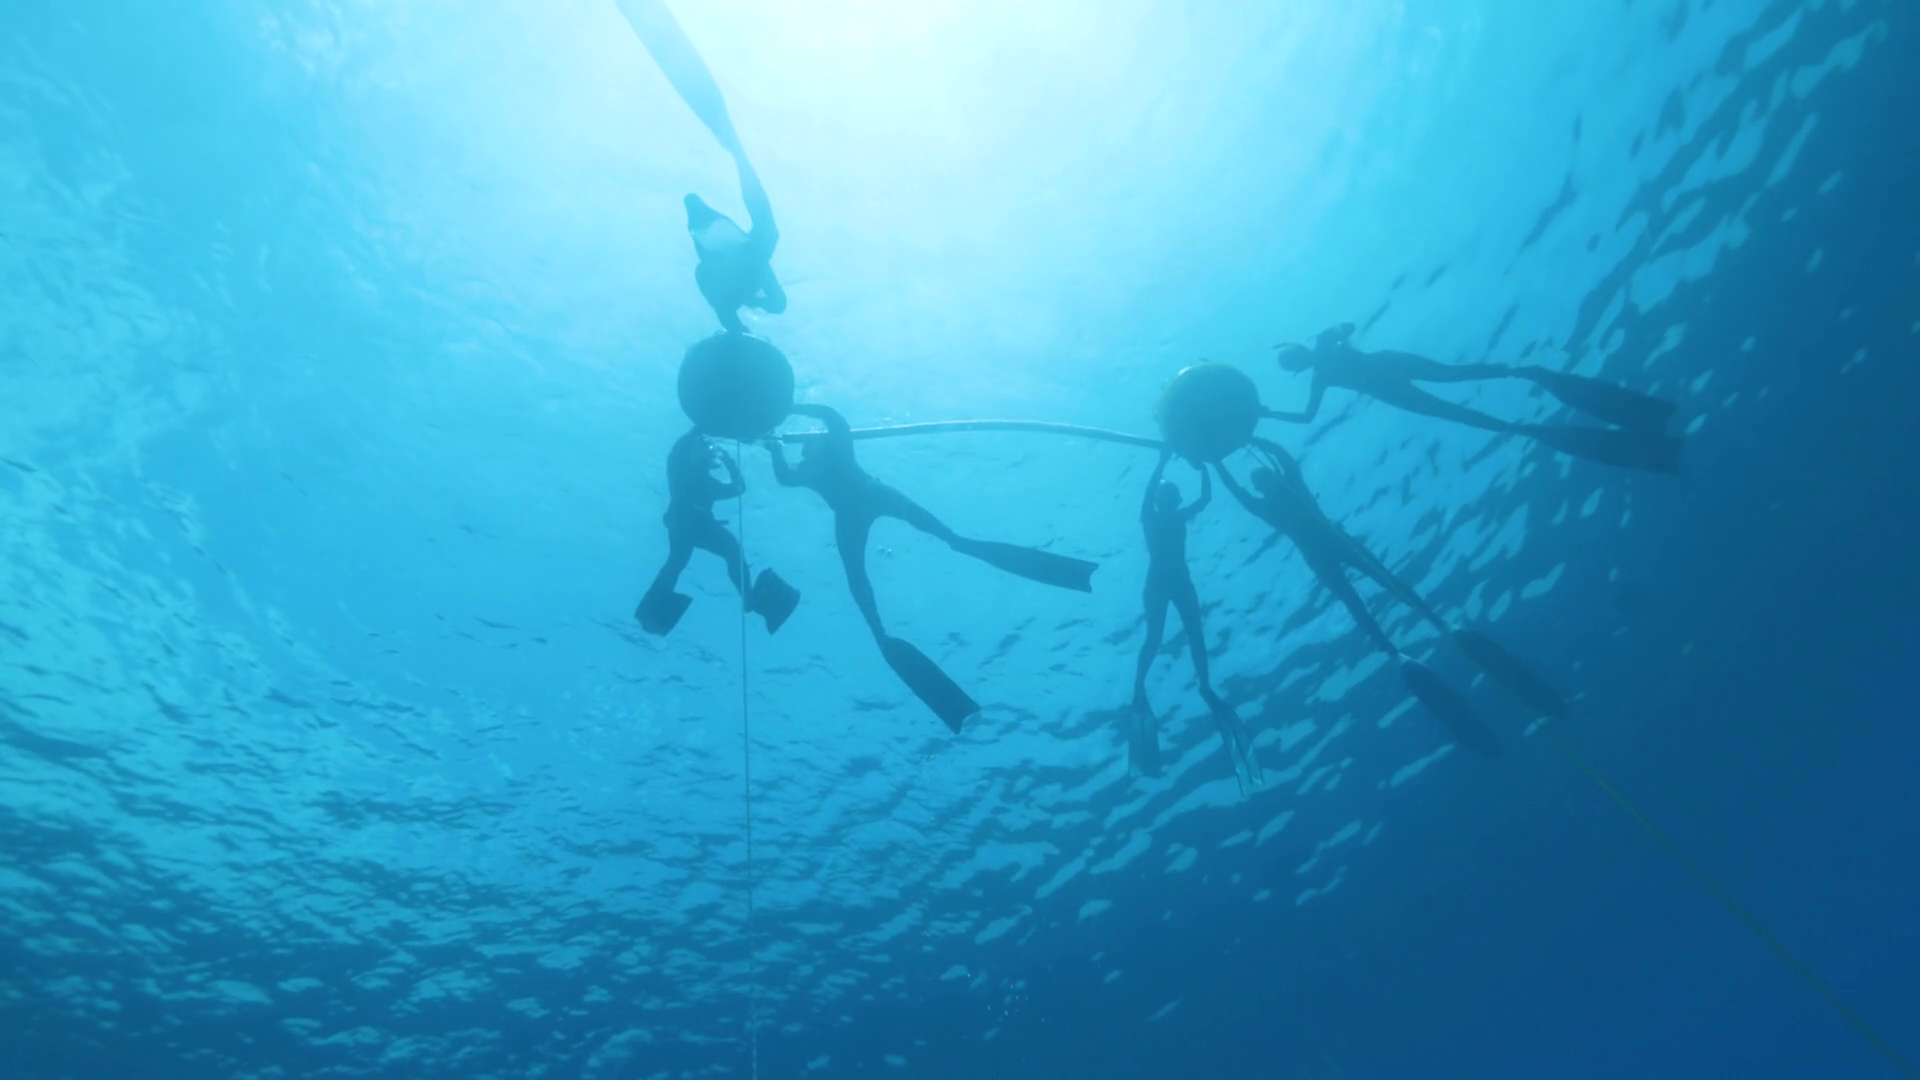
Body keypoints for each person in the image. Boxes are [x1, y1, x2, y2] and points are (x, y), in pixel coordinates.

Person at [1218, 439, 1568, 756]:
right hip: (1328, 548)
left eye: (1261, 479)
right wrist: (1234, 452)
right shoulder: (1284, 495)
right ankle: (1399, 647)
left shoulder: (1288, 490)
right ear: (1264, 484)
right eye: (1261, 481)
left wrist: (1247, 442)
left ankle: (1423, 630)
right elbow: (1252, 483)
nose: (1262, 484)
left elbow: (1279, 461)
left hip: (1331, 545)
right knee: (1361, 600)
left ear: (1266, 481)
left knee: (1386, 586)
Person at [765, 404, 1100, 732]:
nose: (810, 442)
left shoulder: (830, 451)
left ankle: (894, 616)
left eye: (812, 438)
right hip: (858, 507)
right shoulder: (812, 466)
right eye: (807, 441)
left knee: (948, 539)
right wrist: (776, 442)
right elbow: (788, 470)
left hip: (874, 496)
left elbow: (832, 419)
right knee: (858, 576)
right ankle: (880, 632)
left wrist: (786, 415)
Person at [1272, 323, 1682, 473]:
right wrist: (1268, 412)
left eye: (1292, 356)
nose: (1297, 360)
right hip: (1386, 384)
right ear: (1296, 367)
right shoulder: (1320, 377)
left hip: (1388, 369)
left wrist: (1340, 336)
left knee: (1455, 379)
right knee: (1452, 409)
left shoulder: (1323, 353)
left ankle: (1522, 374)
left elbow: (1347, 324)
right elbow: (1308, 418)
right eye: (1292, 361)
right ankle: (1519, 412)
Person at [1129, 452, 1262, 792]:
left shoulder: (1179, 516)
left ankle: (1204, 685)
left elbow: (1206, 497)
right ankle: (1139, 687)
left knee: (1195, 635)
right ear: (1160, 499)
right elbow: (1147, 494)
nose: (1169, 500)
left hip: (1178, 581)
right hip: (1158, 582)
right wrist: (1160, 461)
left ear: (1175, 500)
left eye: (1172, 496)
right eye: (1165, 495)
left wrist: (1203, 466)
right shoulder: (1149, 516)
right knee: (1155, 638)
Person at [636, 429, 800, 637]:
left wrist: (723, 454)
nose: (709, 450)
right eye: (705, 447)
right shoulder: (686, 467)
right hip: (692, 522)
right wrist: (719, 446)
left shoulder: (693, 473)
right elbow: (737, 487)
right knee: (726, 552)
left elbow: (737, 488)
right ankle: (749, 599)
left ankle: (651, 609)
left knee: (680, 561)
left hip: (684, 522)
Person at [685, 155, 787, 334]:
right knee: (775, 301)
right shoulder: (756, 254)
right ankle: (742, 161)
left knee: (775, 302)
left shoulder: (753, 257)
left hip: (740, 277)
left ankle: (741, 161)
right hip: (740, 275)